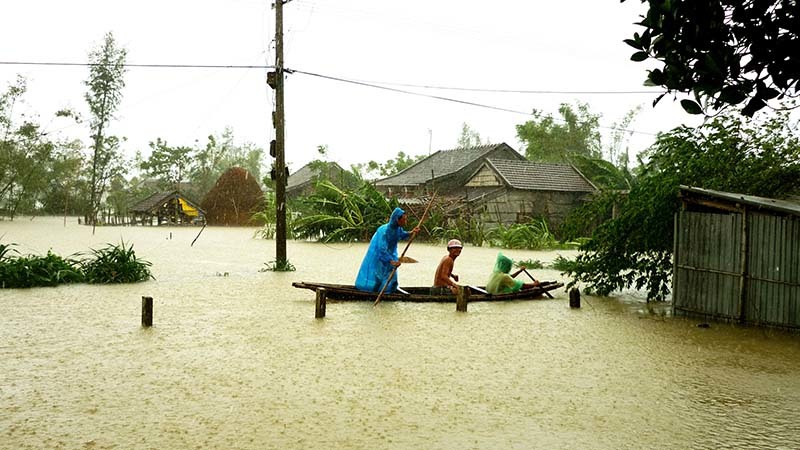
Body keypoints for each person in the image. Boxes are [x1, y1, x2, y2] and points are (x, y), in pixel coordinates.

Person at [355, 207, 419, 293]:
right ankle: (375, 293)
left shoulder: (398, 228)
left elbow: (401, 234)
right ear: (397, 220)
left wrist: (411, 232)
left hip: (391, 254)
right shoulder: (384, 231)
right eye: (404, 220)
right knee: (379, 277)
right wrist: (391, 261)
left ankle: (391, 292)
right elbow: (382, 249)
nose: (405, 222)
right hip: (380, 256)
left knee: (392, 276)